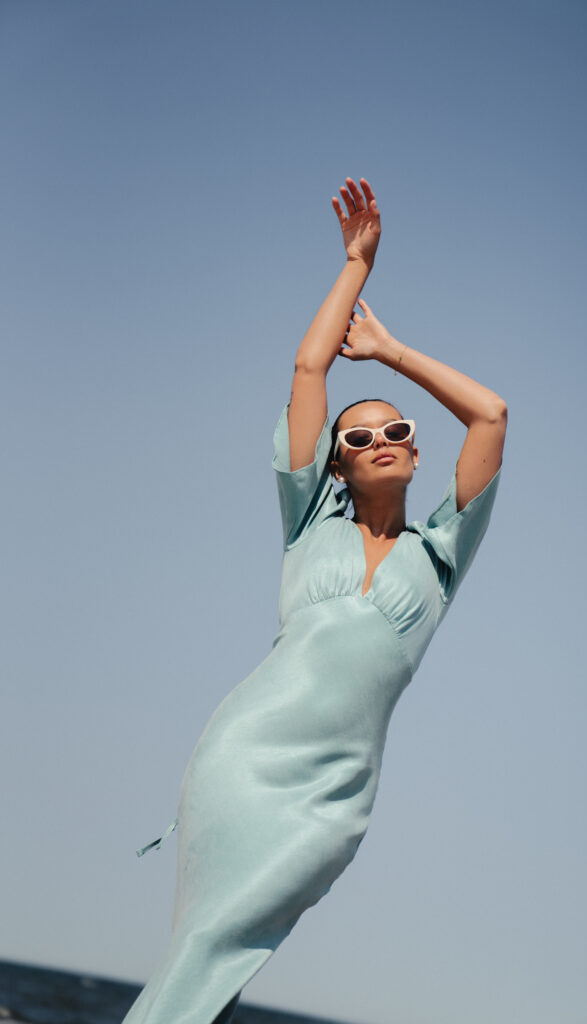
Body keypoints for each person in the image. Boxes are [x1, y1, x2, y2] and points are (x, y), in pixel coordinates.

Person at [123, 178, 506, 1024]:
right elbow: (307, 366)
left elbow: (490, 415)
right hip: (243, 759)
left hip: (332, 794)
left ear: (416, 454)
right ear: (335, 464)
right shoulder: (307, 524)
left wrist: (391, 353)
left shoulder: (441, 554)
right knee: (206, 940)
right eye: (358, 436)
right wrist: (355, 265)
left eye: (397, 431)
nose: (380, 441)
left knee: (231, 937)